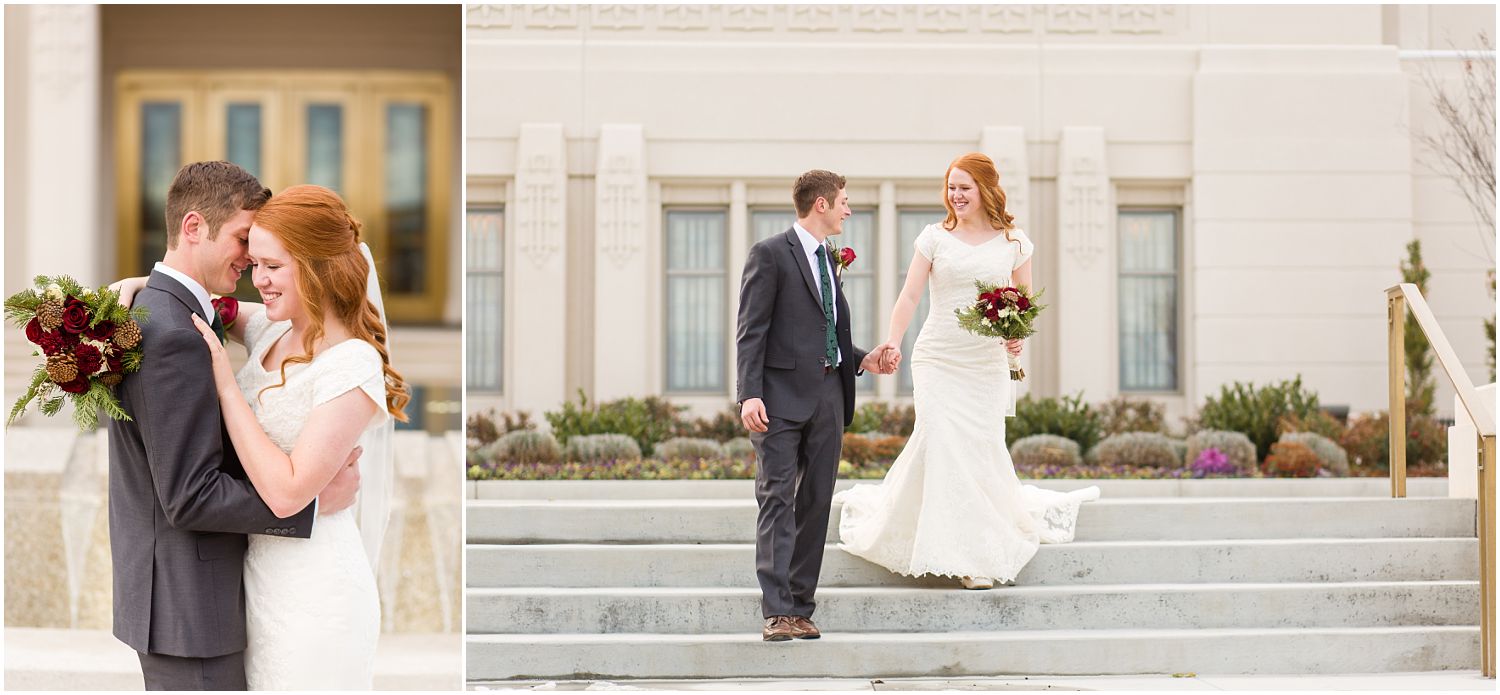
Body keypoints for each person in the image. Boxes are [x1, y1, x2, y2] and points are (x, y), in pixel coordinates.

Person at [108, 162, 363, 690]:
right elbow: (188, 496)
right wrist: (314, 504)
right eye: (245, 241)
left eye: (271, 260)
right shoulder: (174, 332)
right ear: (194, 227)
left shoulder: (188, 315)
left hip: (240, 596)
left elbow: (235, 309)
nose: (252, 264)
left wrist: (143, 281)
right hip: (191, 609)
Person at [834, 153, 1100, 590]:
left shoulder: (1014, 242)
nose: (956, 195)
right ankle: (955, 549)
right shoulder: (933, 237)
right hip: (937, 357)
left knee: (979, 448)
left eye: (965, 187)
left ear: (985, 189)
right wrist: (892, 342)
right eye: (951, 187)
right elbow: (909, 296)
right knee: (941, 438)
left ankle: (977, 552)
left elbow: (1023, 303)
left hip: (986, 363)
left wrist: (1017, 336)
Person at [735, 169, 897, 642]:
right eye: (844, 201)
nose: (849, 209)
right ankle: (777, 611)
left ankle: (801, 607)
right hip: (778, 401)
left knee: (816, 503)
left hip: (829, 397)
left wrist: (864, 358)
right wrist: (749, 394)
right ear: (821, 204)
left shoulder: (829, 259)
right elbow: (752, 330)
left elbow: (828, 331)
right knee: (776, 499)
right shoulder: (769, 254)